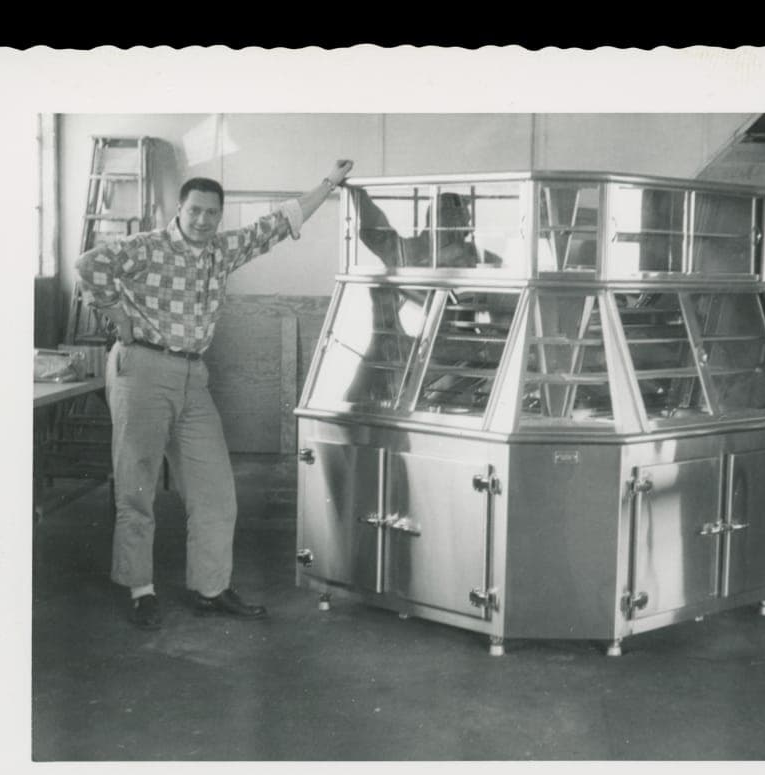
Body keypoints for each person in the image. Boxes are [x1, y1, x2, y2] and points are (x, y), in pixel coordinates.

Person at [75, 159, 354, 629]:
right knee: (137, 486)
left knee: (217, 492)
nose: (203, 220)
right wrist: (116, 315)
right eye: (195, 210)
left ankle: (211, 588)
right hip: (141, 369)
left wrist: (329, 183)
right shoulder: (147, 247)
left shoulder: (222, 250)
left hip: (194, 378)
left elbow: (281, 221)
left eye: (211, 213)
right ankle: (140, 589)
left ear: (220, 217)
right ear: (179, 210)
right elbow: (88, 264)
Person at [351, 187, 501, 268]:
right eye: (463, 222)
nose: (469, 230)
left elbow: (501, 271)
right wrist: (359, 195)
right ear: (443, 221)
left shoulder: (473, 252)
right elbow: (377, 230)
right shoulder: (408, 250)